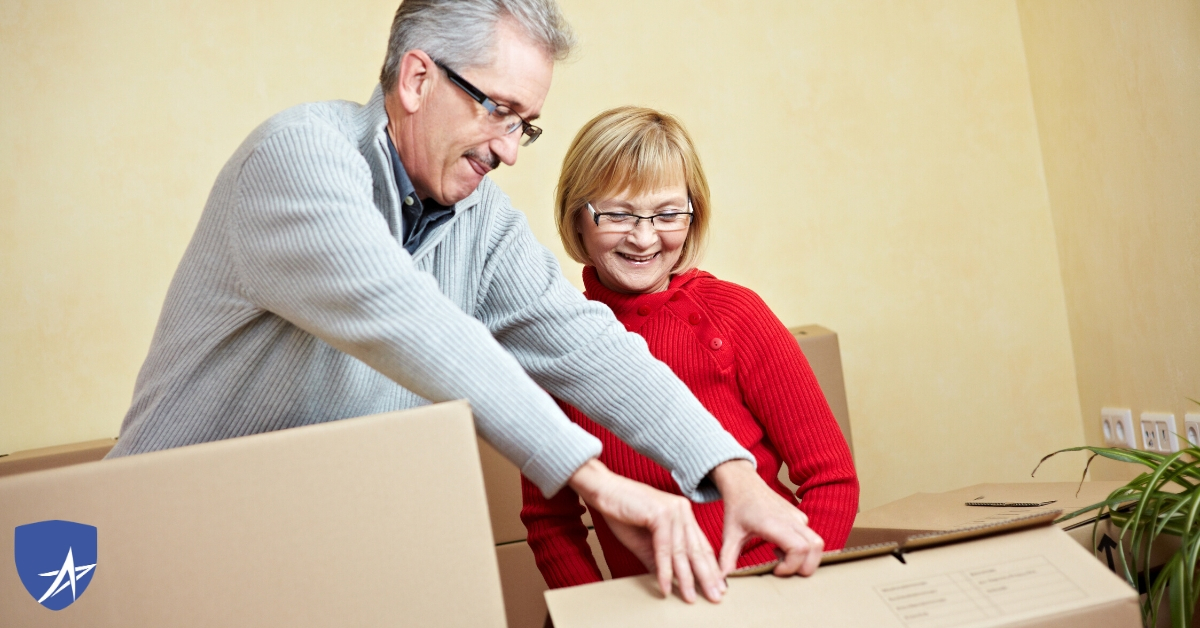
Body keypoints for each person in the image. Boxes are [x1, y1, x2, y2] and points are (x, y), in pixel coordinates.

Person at [107, 0, 822, 602]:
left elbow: (585, 341)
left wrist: (732, 474)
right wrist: (596, 481)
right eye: (498, 111)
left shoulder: (478, 217)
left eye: (525, 125)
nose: (510, 150)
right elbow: (416, 328)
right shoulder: (298, 161)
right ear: (418, 77)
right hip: (157, 559)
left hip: (306, 558)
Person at [522, 106, 859, 588]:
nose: (643, 237)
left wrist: (787, 592)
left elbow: (832, 480)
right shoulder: (556, 343)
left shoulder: (737, 314)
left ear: (692, 213)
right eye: (617, 213)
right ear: (577, 217)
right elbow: (550, 522)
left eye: (666, 213)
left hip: (769, 587)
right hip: (650, 606)